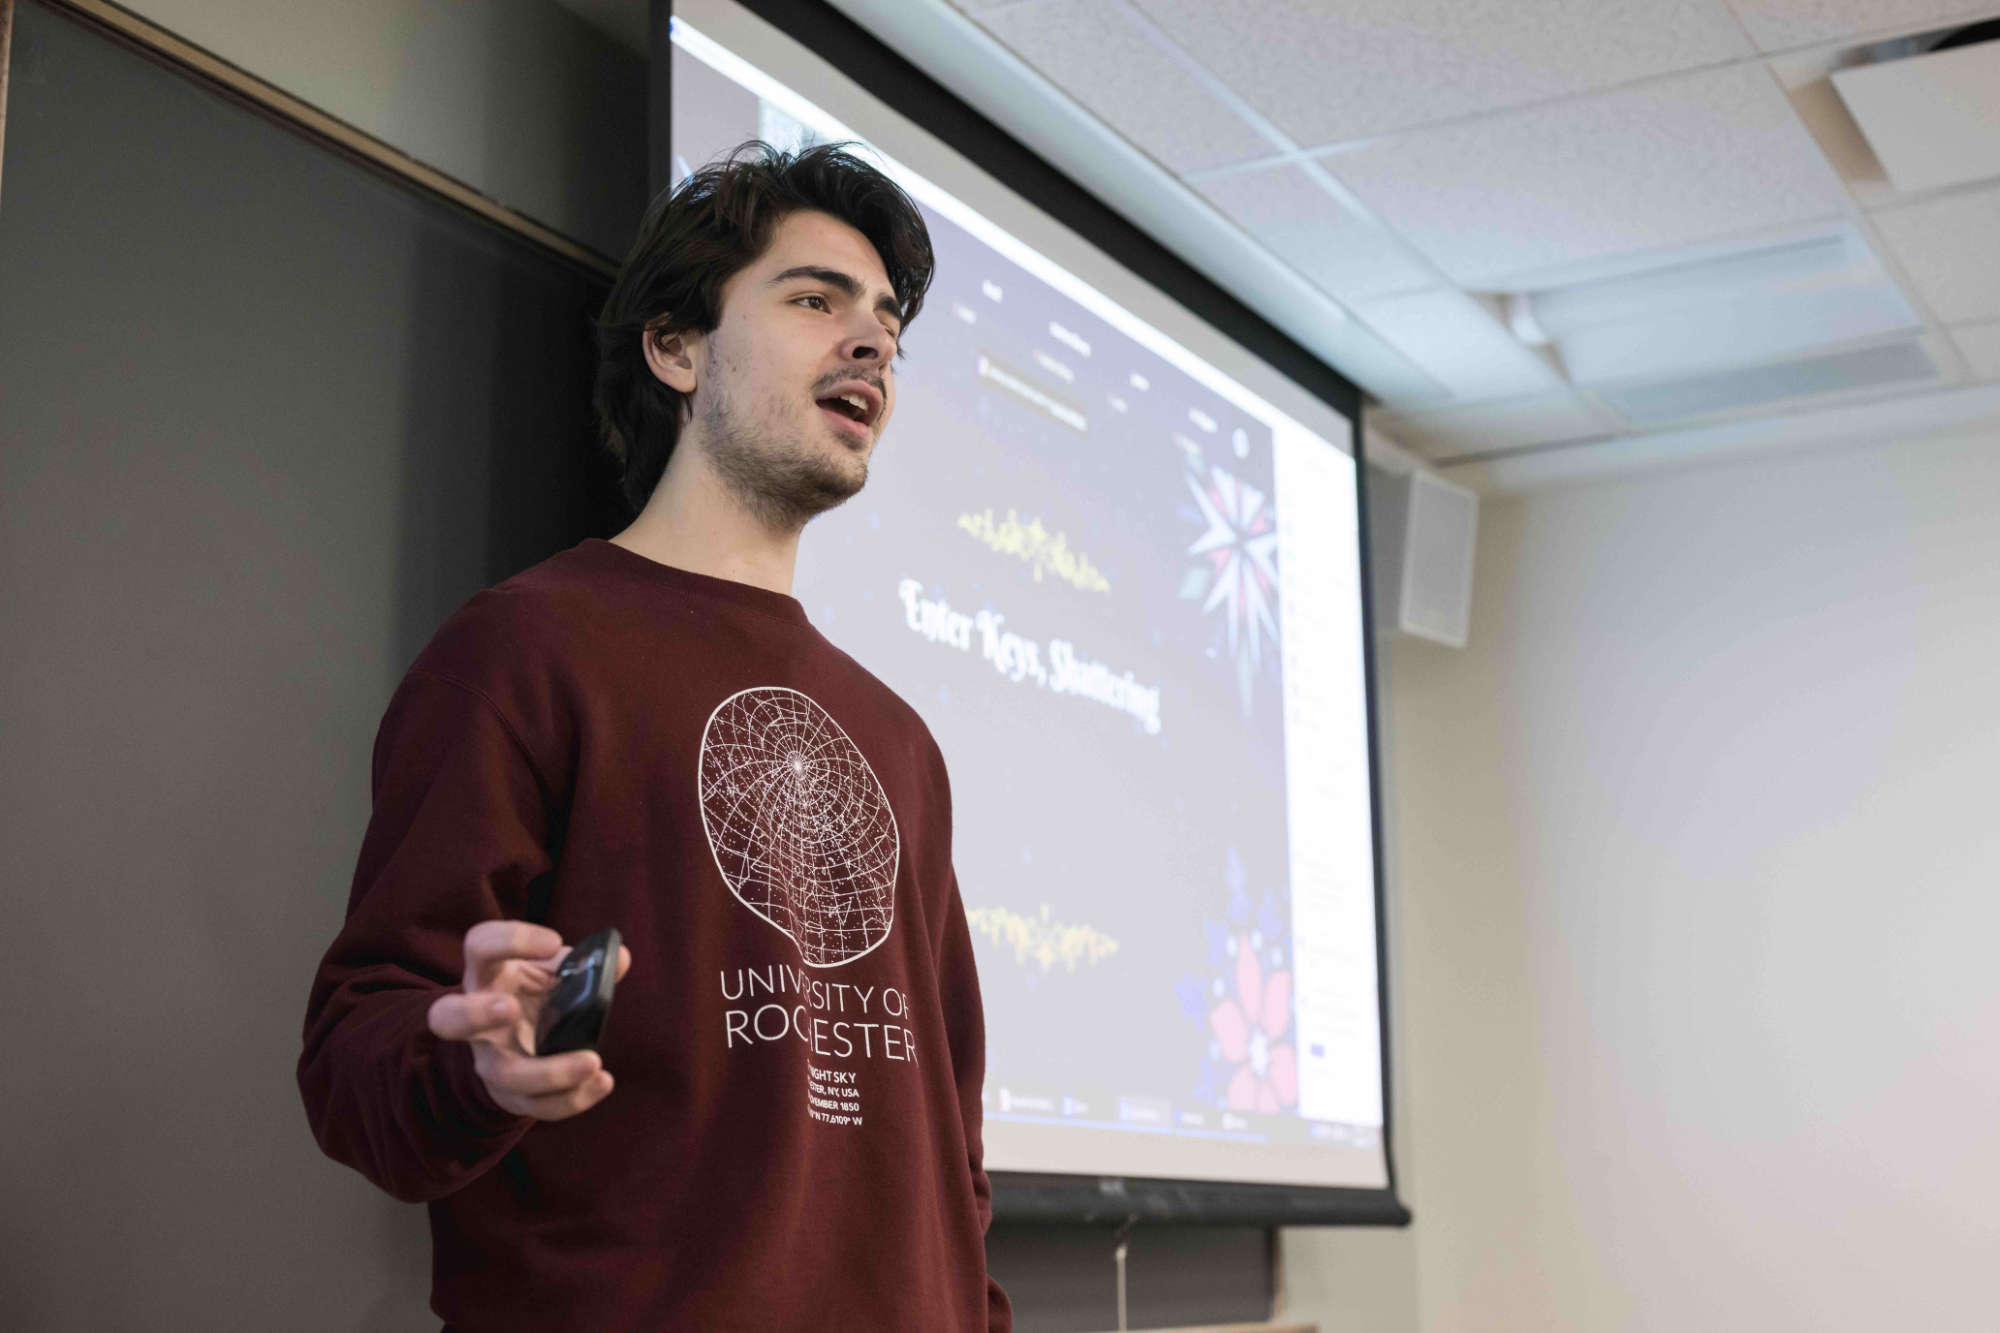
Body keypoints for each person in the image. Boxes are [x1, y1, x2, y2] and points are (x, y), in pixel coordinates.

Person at [298, 140, 1011, 1333]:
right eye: (811, 299)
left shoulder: (900, 740)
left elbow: (952, 1140)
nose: (872, 341)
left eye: (886, 320)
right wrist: (470, 1067)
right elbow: (353, 1059)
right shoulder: (527, 648)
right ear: (676, 349)